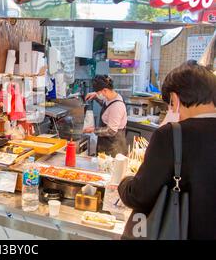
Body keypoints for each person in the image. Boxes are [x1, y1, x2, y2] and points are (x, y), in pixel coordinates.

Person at [118, 63, 216, 240]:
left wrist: (124, 182)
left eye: (170, 104)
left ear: (175, 98)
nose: (172, 111)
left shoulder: (171, 134)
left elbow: (139, 195)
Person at [84, 75, 128, 156]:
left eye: (98, 92)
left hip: (114, 149)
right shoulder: (110, 98)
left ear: (105, 90)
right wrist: (95, 96)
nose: (98, 94)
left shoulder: (117, 106)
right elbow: (106, 106)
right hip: (106, 145)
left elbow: (111, 131)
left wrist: (93, 130)